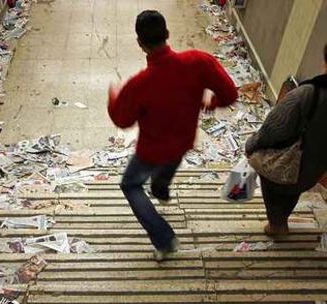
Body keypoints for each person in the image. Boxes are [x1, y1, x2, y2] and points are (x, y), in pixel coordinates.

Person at [107, 10, 238, 261]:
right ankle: (161, 189)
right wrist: (212, 102)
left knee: (130, 185)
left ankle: (163, 238)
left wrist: (114, 99)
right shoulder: (198, 61)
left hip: (151, 150)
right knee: (168, 166)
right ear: (167, 34)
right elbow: (230, 93)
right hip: (183, 141)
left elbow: (123, 120)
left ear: (140, 43)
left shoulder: (139, 85)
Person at [246, 43, 327, 236]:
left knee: (273, 183)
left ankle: (277, 225)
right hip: (314, 169)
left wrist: (252, 144)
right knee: (295, 188)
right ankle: (281, 220)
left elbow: (273, 129)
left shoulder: (307, 94)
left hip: (290, 165)